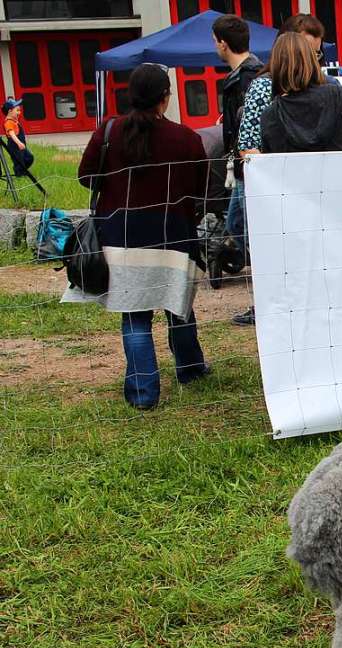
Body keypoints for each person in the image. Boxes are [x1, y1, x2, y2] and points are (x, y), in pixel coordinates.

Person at [71, 64, 209, 410]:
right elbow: (200, 190)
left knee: (135, 315)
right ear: (166, 97)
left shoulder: (109, 132)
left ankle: (143, 393)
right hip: (173, 235)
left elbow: (86, 175)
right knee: (179, 306)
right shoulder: (187, 139)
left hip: (122, 237)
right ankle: (190, 369)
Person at [231, 13, 327, 327]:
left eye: (317, 53)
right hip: (275, 196)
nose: (312, 60)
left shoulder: (329, 89)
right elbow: (248, 144)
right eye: (307, 52)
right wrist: (278, 178)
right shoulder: (263, 88)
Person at [259, 32, 342, 154]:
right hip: (338, 171)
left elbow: (271, 164)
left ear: (276, 66)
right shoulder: (335, 96)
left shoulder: (270, 114)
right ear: (310, 60)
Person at [213, 14, 262, 250]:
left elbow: (250, 125)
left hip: (249, 162)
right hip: (242, 163)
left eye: (215, 41)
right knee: (235, 223)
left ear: (223, 43)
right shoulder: (246, 74)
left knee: (250, 226)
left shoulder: (248, 77)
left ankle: (263, 271)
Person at [2, 97, 33, 176]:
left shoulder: (14, 120)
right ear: (10, 111)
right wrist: (19, 143)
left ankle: (23, 171)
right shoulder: (8, 122)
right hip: (14, 146)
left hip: (21, 145)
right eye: (17, 110)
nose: (19, 112)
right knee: (19, 161)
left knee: (29, 158)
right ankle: (19, 174)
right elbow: (12, 134)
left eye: (19, 110)